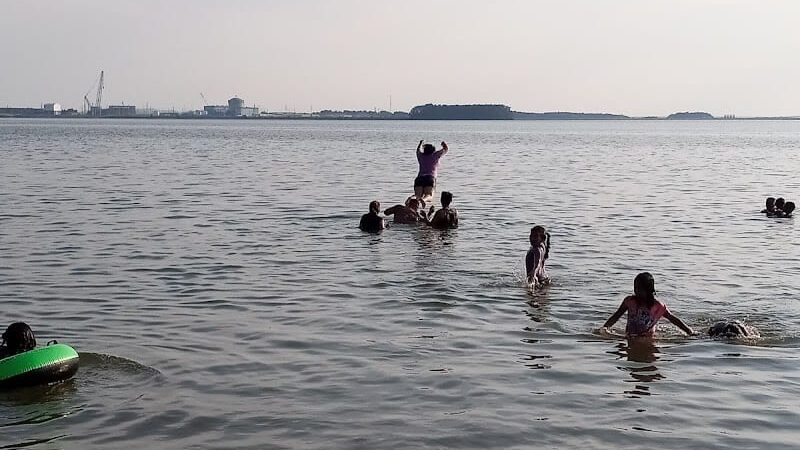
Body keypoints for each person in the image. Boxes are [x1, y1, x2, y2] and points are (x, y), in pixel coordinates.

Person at [602, 272, 694, 337]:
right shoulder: (629, 301)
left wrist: (689, 331)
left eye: (640, 289)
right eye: (635, 288)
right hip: (630, 335)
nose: (637, 291)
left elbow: (673, 319)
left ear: (649, 290)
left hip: (648, 338)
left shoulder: (658, 306)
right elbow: (617, 315)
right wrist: (604, 328)